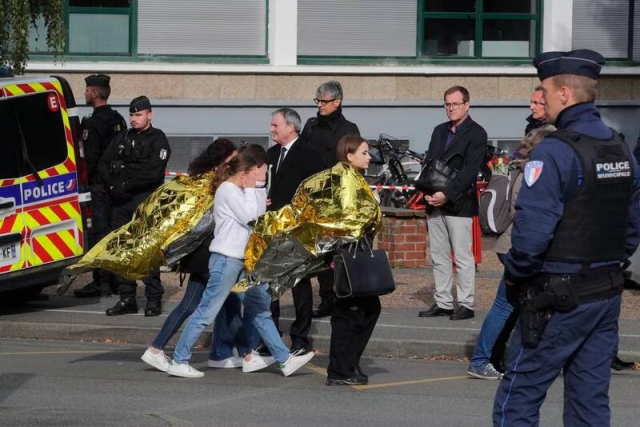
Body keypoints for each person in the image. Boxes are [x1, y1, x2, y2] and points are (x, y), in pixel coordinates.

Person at [493, 49, 640, 426]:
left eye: (543, 89)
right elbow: (632, 221)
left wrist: (515, 275)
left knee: (518, 396)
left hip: (557, 296)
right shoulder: (621, 148)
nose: (539, 97)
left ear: (564, 93)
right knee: (589, 403)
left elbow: (530, 237)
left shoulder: (554, 152)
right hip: (605, 292)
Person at [166, 144, 315, 378]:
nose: (259, 177)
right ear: (243, 173)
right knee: (207, 311)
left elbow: (257, 217)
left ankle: (284, 359)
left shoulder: (241, 190)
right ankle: (179, 359)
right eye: (256, 173)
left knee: (260, 309)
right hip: (226, 260)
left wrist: (257, 187)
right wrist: (257, 187)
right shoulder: (227, 189)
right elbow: (251, 218)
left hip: (241, 261)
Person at [142, 139, 257, 372]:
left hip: (203, 252)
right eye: (233, 158)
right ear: (223, 160)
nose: (236, 162)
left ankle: (157, 349)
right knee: (219, 304)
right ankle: (244, 355)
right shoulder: (213, 184)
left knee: (204, 304)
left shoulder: (208, 180)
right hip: (206, 252)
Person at [467, 126, 555, 380]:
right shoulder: (534, 170)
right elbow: (526, 211)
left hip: (511, 245)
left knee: (515, 305)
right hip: (519, 246)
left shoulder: (524, 167)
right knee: (508, 306)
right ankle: (483, 359)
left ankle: (495, 358)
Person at [418, 86, 487, 321]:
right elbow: (430, 163)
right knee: (439, 255)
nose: (451, 108)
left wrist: (446, 194)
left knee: (463, 256)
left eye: (456, 104)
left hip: (459, 203)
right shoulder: (439, 131)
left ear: (467, 104)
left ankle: (466, 304)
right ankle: (443, 302)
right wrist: (428, 192)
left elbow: (469, 171)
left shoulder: (477, 133)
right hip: (434, 202)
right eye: (447, 104)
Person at [98, 96, 171, 317]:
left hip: (144, 202)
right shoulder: (122, 137)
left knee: (147, 250)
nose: (134, 119)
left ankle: (153, 298)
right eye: (131, 115)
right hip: (121, 202)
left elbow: (153, 172)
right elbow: (103, 163)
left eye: (138, 115)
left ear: (149, 115)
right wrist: (113, 186)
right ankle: (127, 297)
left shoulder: (157, 139)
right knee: (122, 250)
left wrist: (126, 184)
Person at [267, 108, 325, 354]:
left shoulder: (310, 155)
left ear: (291, 127)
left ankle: (300, 338)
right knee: (272, 285)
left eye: (275, 125)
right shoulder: (270, 154)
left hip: (299, 229)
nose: (271, 129)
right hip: (273, 228)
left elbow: (317, 194)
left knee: (300, 285)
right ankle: (269, 337)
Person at [300, 80, 360, 318]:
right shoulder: (311, 125)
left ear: (338, 102)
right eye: (318, 101)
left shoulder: (348, 128)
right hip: (313, 197)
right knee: (319, 252)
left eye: (324, 101)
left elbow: (352, 166)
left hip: (336, 198)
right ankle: (326, 298)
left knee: (338, 251)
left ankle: (343, 296)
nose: (320, 105)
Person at [326, 135, 382, 386]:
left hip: (356, 250)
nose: (369, 157)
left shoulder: (355, 179)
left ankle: (349, 362)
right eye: (364, 152)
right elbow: (346, 219)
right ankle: (340, 369)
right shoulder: (345, 180)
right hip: (347, 252)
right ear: (349, 155)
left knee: (368, 307)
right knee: (348, 311)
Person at [74, 74, 127, 298]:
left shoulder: (94, 123)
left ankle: (101, 283)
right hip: (117, 185)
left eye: (87, 90)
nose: (85, 93)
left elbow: (92, 158)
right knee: (114, 233)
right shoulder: (118, 120)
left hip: (99, 186)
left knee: (100, 234)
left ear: (94, 93)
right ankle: (115, 279)